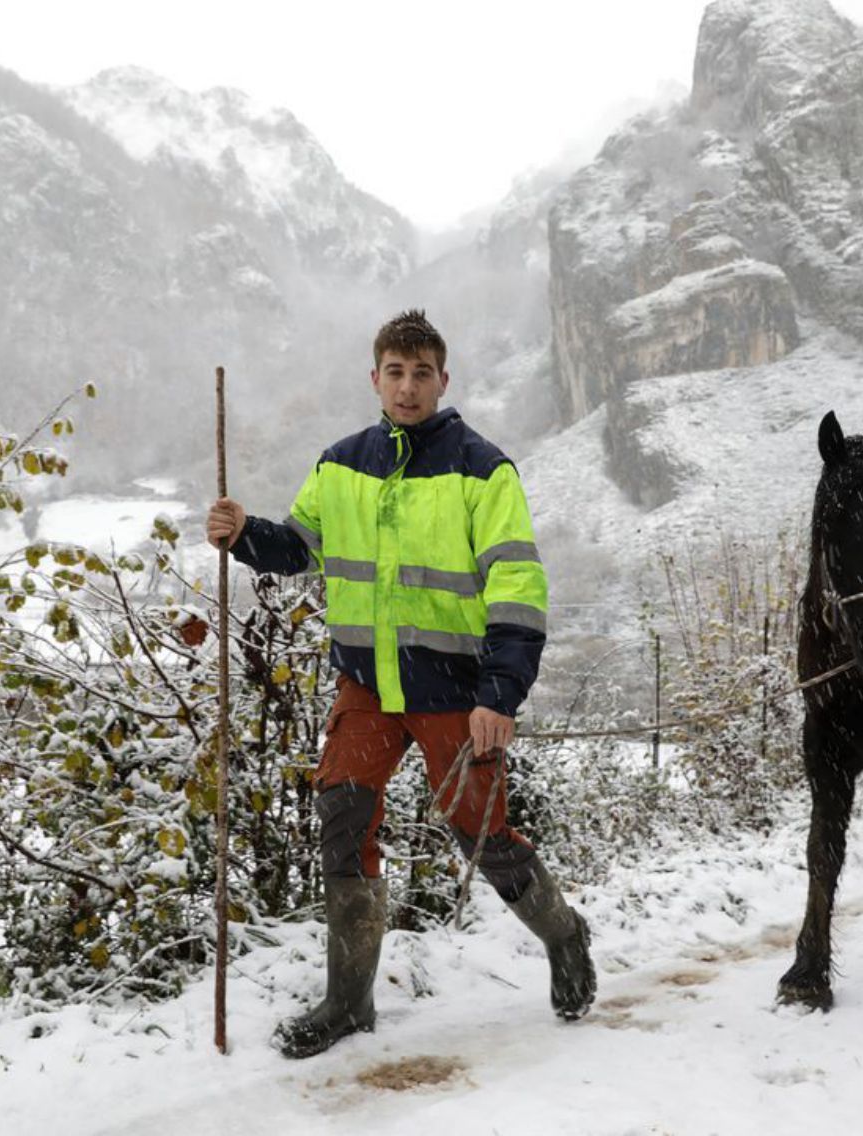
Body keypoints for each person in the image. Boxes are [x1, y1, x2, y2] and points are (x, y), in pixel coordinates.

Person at [206, 309, 596, 1058]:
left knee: (480, 835)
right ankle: (349, 1004)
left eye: (422, 373)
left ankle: (565, 934)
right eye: (395, 371)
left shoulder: (483, 469)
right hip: (366, 687)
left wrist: (499, 696)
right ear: (375, 378)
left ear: (443, 380)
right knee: (343, 819)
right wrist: (244, 530)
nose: (408, 386)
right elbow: (300, 546)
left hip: (456, 692)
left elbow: (517, 587)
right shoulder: (340, 462)